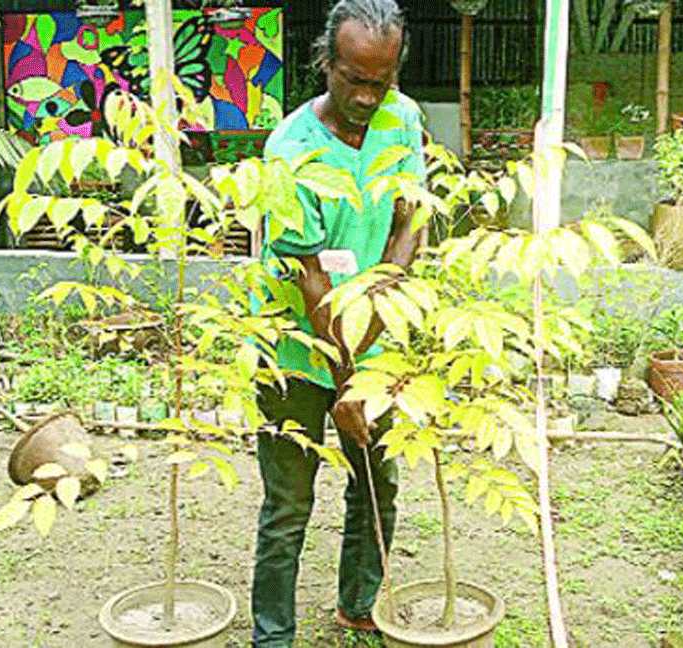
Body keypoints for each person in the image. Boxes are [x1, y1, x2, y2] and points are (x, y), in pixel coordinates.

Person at [251, 0, 426, 646]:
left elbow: (411, 222)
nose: (366, 95)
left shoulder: (402, 121)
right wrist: (346, 382)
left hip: (374, 341)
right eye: (354, 78)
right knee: (288, 507)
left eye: (380, 81)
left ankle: (360, 605)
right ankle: (272, 637)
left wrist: (381, 306)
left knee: (377, 481)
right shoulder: (291, 149)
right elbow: (312, 280)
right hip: (294, 347)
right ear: (327, 62)